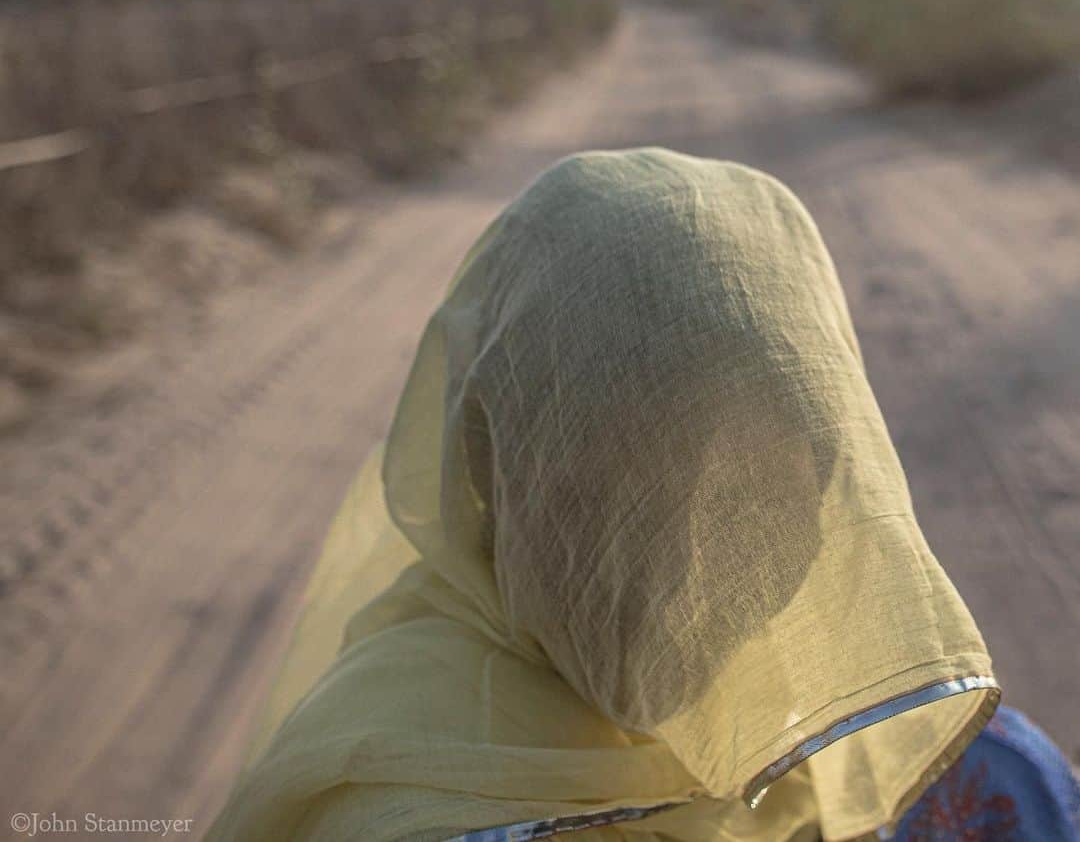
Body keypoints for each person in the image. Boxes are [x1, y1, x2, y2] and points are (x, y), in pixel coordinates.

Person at [205, 148, 1072, 842]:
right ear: (489, 482)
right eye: (607, 495)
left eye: (757, 492)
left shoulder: (951, 772)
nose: (681, 562)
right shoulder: (385, 801)